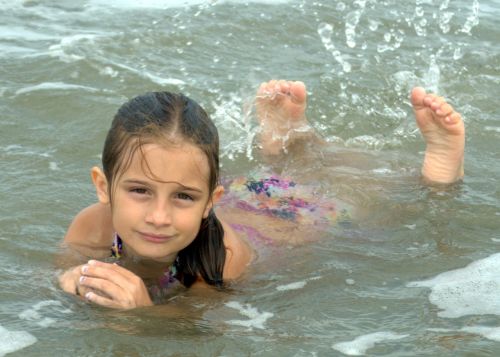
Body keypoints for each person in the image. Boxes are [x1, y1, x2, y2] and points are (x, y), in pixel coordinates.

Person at [58, 80, 465, 309]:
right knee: (272, 173)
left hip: (291, 222)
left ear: (207, 201)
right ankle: (287, 141)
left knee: (358, 197)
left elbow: (194, 331)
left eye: (182, 197)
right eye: (140, 191)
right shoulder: (91, 224)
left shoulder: (224, 261)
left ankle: (441, 166)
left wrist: (142, 314)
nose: (158, 216)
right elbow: (54, 278)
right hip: (242, 196)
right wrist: (67, 281)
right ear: (103, 187)